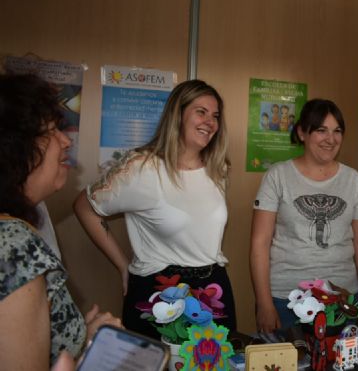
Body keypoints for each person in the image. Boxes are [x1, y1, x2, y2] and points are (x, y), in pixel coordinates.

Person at [74, 79, 237, 339]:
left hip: (212, 288)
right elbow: (85, 207)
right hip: (159, 292)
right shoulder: (142, 168)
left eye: (215, 116)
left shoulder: (218, 168)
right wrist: (122, 266)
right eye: (201, 112)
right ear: (178, 115)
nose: (211, 122)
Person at [0, 74, 120, 368]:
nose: (66, 141)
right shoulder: (13, 247)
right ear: (13, 148)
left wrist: (83, 339)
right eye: (51, 131)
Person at [250, 98, 358, 338]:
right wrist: (264, 303)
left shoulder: (354, 181)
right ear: (302, 132)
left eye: (337, 131)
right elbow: (260, 243)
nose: (331, 139)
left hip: (342, 300)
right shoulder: (277, 176)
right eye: (321, 130)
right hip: (286, 299)